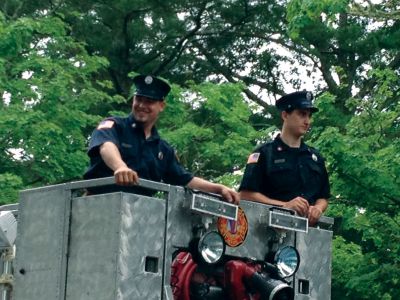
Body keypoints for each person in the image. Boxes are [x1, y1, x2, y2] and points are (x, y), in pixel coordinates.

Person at [84, 74, 239, 204]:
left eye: (149, 101)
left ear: (161, 106)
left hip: (141, 214)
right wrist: (120, 167)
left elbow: (185, 179)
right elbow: (106, 146)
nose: (142, 105)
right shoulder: (114, 126)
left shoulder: (163, 149)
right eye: (139, 99)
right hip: (98, 205)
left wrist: (219, 188)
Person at [239, 91, 330, 226]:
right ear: (285, 115)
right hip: (268, 231)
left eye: (309, 116)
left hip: (309, 236)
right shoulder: (264, 153)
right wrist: (284, 206)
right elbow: (245, 195)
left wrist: (318, 208)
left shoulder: (315, 157)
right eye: (301, 114)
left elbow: (323, 196)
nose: (307, 121)